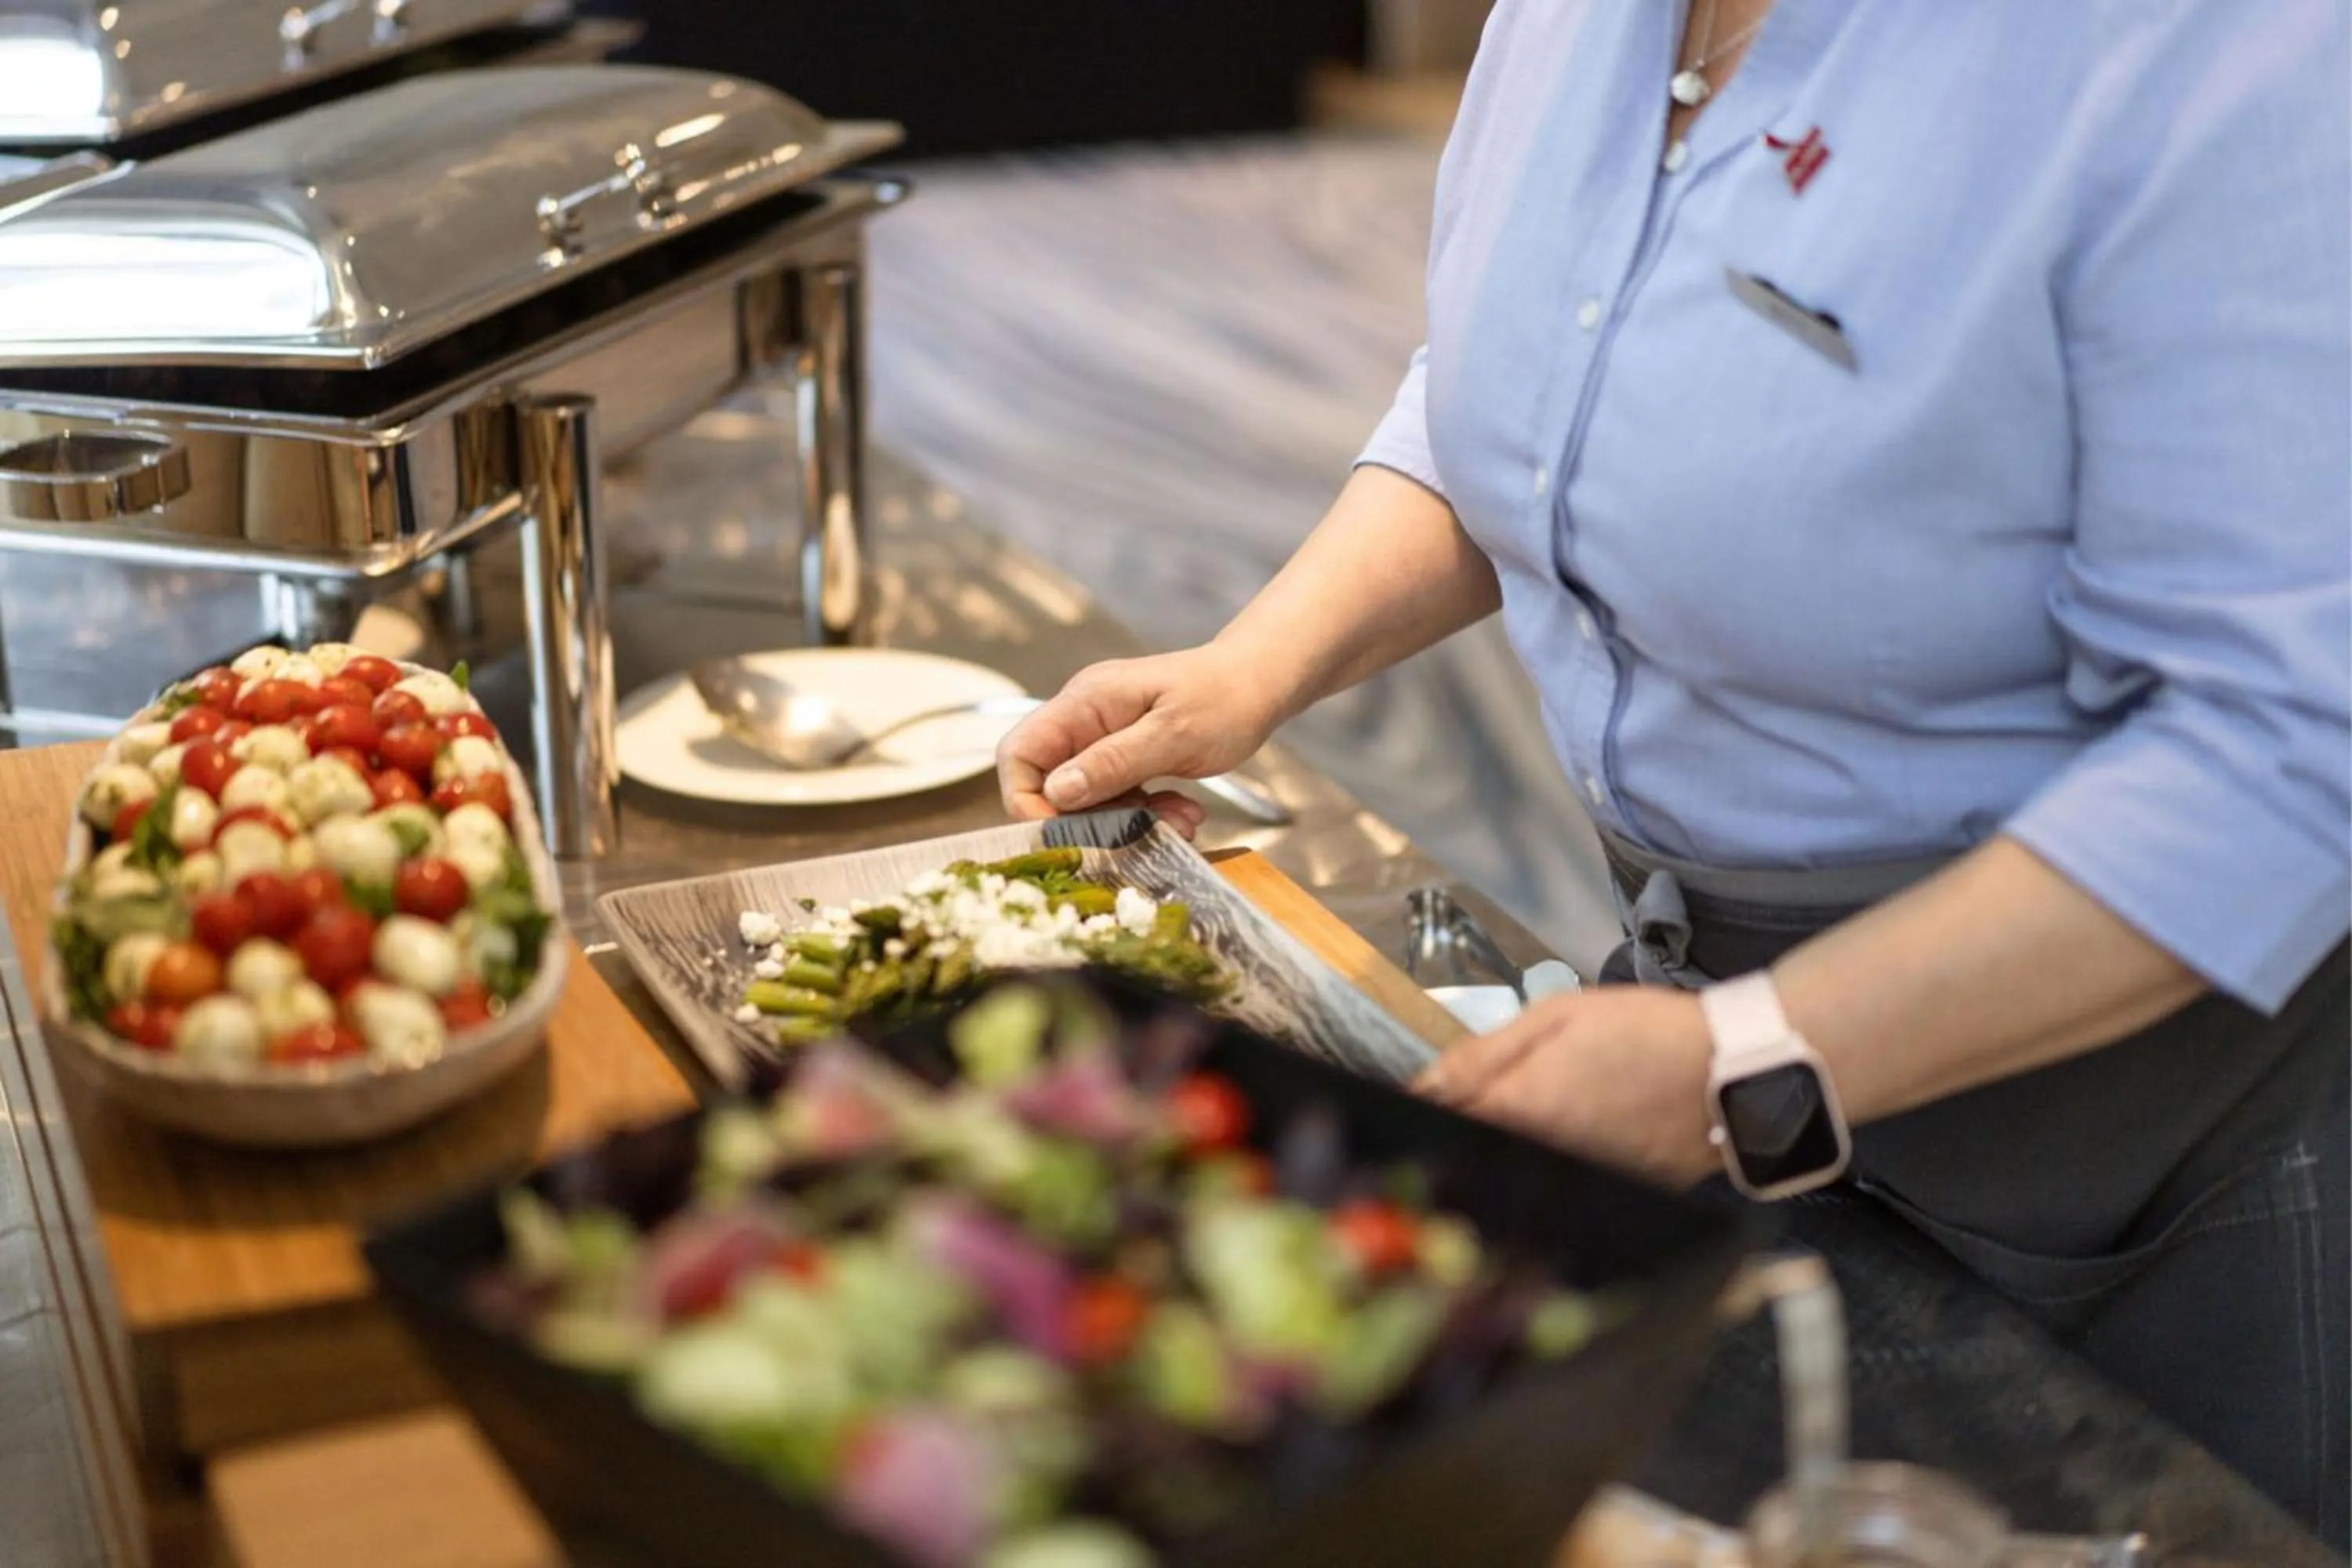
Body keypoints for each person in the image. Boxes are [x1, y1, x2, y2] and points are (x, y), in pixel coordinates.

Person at [995, 0, 2350, 1545]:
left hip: (2112, 1125)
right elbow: (1525, 382)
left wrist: (1750, 1055)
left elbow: (2284, 755)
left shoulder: (2217, 48)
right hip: (1706, 1032)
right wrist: (1253, 669)